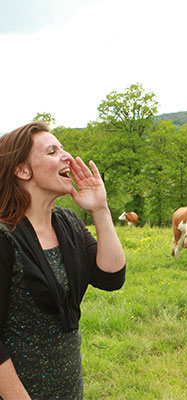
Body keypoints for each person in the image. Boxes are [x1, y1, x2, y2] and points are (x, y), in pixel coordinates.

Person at [0, 122, 126, 399]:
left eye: (63, 148)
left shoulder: (67, 223)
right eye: (52, 151)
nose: (67, 156)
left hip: (67, 384)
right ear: (22, 170)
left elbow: (111, 278)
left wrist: (101, 209)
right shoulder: (4, 238)